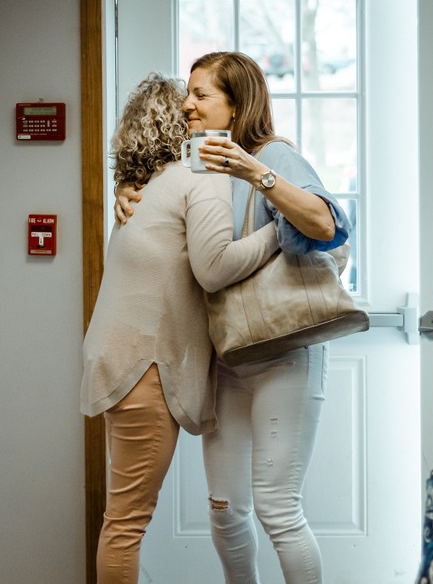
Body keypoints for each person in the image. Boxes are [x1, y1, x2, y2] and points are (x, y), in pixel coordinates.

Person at [114, 53, 351, 584]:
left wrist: (255, 172)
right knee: (224, 510)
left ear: (237, 105)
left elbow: (327, 226)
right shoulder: (197, 165)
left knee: (277, 508)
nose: (187, 105)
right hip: (227, 354)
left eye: (201, 95)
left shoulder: (275, 155)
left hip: (285, 353)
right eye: (188, 93)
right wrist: (125, 191)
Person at [80, 72, 280, 584]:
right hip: (145, 367)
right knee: (126, 523)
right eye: (189, 101)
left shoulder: (144, 191)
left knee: (121, 518)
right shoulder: (197, 176)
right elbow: (215, 268)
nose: (195, 107)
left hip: (121, 361)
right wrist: (277, 232)